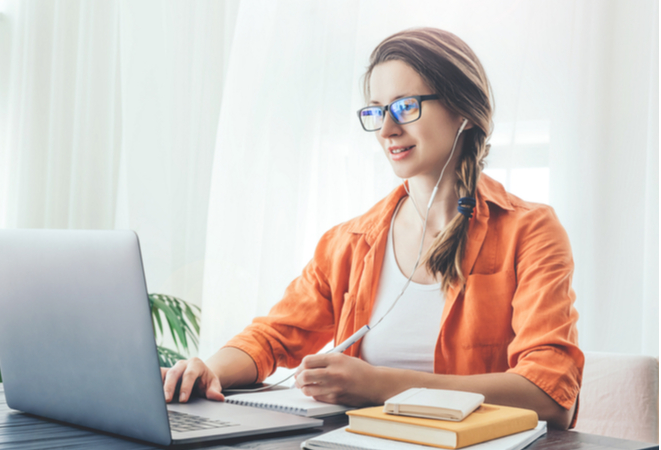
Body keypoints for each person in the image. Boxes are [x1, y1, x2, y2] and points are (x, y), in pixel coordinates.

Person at [160, 27, 584, 430]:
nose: (386, 130)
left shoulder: (530, 232)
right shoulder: (350, 242)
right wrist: (209, 370)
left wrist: (378, 385)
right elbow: (272, 337)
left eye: (405, 107)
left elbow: (550, 397)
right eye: (377, 112)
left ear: (464, 113)